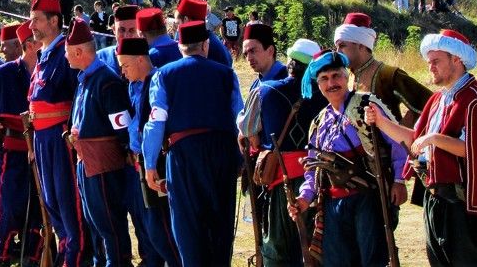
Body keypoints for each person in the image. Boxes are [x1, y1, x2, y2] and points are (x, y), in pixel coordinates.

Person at [365, 30, 477, 267]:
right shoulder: (438, 99)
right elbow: (415, 139)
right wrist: (381, 122)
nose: (430, 67)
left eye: (436, 61)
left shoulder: (476, 100)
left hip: (461, 203)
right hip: (435, 198)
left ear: (457, 59)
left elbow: (474, 150)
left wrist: (434, 138)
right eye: (428, 61)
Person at [289, 51, 408, 267]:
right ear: (318, 84)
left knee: (372, 261)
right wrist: (305, 198)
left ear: (346, 77)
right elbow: (313, 169)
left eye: (336, 76)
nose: (331, 83)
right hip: (333, 204)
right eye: (324, 79)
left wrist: (399, 180)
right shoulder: (319, 122)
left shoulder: (366, 105)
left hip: (367, 199)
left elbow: (396, 143)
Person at [142, 21, 242, 267]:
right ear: (205, 45)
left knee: (188, 227)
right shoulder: (226, 74)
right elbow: (239, 118)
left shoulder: (164, 75)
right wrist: (239, 159)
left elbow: (156, 121)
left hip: (183, 155)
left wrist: (150, 163)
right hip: (222, 153)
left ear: (179, 46)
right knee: (221, 226)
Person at [237, 39, 325, 267]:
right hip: (318, 180)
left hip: (281, 180)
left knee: (277, 251)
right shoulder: (326, 95)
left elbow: (247, 129)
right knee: (315, 249)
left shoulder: (265, 90)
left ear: (290, 63)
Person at [27, 0, 89, 267]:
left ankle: (76, 257)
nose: (31, 26)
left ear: (54, 21)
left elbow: (78, 95)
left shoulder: (65, 53)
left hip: (60, 135)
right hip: (42, 137)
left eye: (37, 20)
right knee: (51, 201)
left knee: (67, 200)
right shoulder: (44, 55)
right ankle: (65, 252)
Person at [65, 19, 133, 267]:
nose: (66, 57)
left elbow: (123, 128)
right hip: (87, 163)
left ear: (78, 52)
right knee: (94, 223)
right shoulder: (85, 79)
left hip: (104, 165)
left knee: (109, 223)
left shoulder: (107, 81)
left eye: (67, 52)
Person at [115, 37, 181, 267]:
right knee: (147, 228)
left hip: (156, 162)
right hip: (138, 163)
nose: (123, 72)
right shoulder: (132, 85)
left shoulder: (157, 81)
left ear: (141, 60)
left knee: (161, 229)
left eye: (125, 65)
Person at [0, 23, 43, 265]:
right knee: (7, 205)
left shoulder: (49, 69)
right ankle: (3, 255)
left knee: (38, 205)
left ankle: (33, 255)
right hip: (12, 149)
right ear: (30, 45)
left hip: (42, 150)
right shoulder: (3, 73)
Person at [333, 12, 433, 129]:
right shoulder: (349, 76)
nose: (338, 52)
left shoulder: (388, 74)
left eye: (342, 46)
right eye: (336, 47)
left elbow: (430, 103)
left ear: (361, 45)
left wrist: (401, 131)